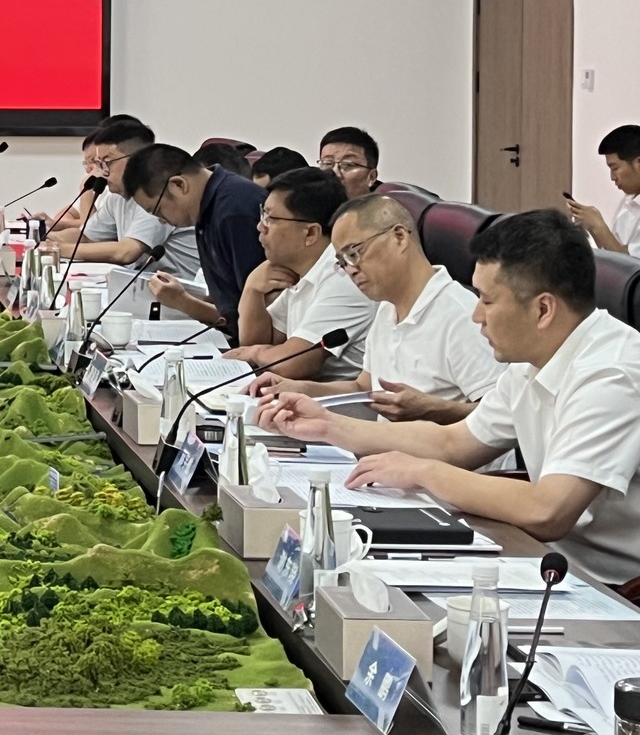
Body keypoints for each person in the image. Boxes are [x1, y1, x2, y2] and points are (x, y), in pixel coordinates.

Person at [259, 209, 640, 588]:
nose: (476, 316)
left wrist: (423, 472)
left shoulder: (611, 374)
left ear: (543, 309)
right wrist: (327, 424)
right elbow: (453, 442)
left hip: (612, 587)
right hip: (542, 558)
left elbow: (547, 510)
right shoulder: (534, 360)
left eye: (487, 301)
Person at [251, 194, 500, 424]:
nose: (351, 269)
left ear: (399, 237)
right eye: (342, 262)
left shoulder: (461, 315)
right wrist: (301, 389)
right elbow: (363, 387)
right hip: (385, 449)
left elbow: (502, 418)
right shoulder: (386, 308)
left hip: (436, 457)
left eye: (354, 253)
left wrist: (435, 409)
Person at [224, 168, 369, 381]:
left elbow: (292, 364)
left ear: (310, 233)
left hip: (339, 399)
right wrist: (252, 290)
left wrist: (256, 353)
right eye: (263, 214)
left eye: (270, 218)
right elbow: (262, 342)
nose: (260, 226)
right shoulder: (302, 268)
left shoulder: (343, 277)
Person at [127, 143, 265, 332]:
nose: (161, 221)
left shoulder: (235, 211)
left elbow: (246, 316)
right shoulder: (207, 206)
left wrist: (183, 301)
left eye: (158, 210)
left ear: (178, 185)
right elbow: (226, 300)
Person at [42, 117, 202, 278]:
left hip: (177, 288)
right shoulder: (117, 196)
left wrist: (59, 249)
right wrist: (45, 239)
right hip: (143, 285)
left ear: (136, 159)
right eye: (98, 163)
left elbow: (126, 252)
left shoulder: (156, 193)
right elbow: (86, 237)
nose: (102, 171)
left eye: (107, 162)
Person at [564, 124, 640, 257]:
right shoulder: (629, 203)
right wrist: (592, 227)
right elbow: (615, 255)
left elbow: (633, 266)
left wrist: (598, 227)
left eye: (615, 168)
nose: (612, 177)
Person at [317, 126, 380, 198]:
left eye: (348, 164)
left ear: (372, 177)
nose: (335, 172)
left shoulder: (386, 204)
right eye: (328, 163)